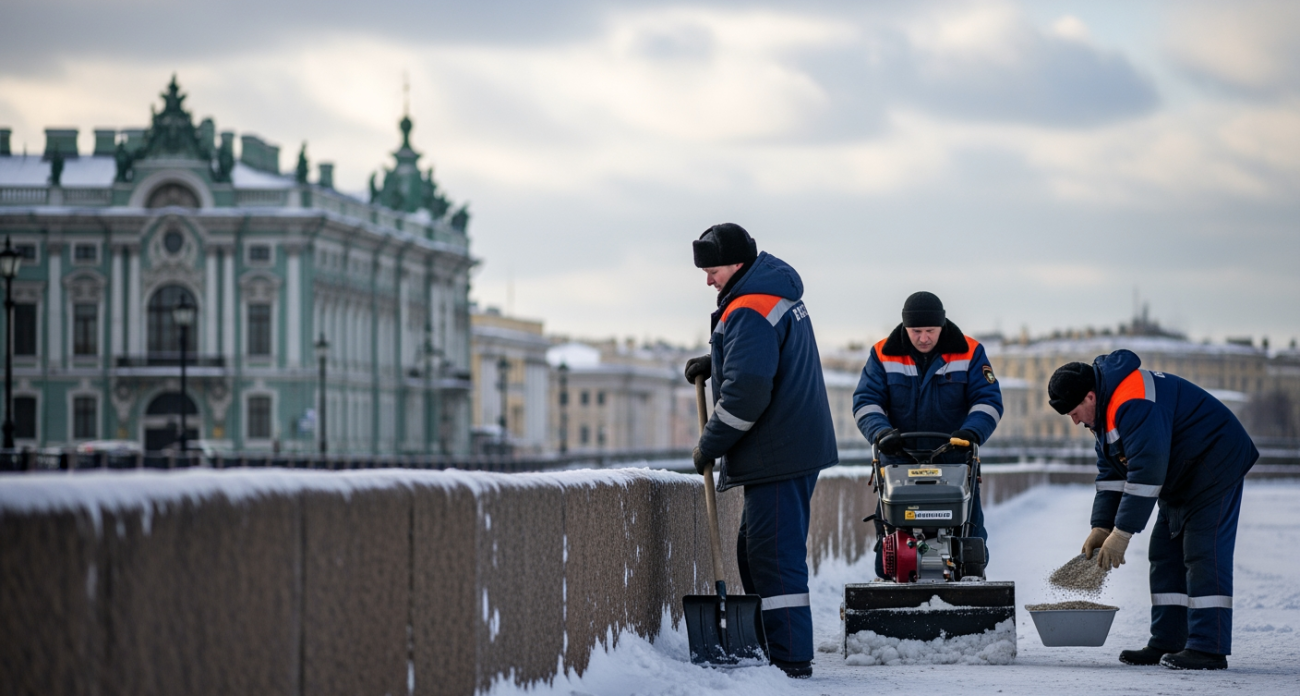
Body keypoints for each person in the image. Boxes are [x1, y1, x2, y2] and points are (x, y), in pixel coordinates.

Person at [684, 223, 837, 679]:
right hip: (789, 446)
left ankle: (790, 658)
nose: (708, 280)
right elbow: (766, 358)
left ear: (736, 263)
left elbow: (747, 395)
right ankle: (772, 645)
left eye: (712, 270)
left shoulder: (750, 307)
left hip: (779, 452)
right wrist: (718, 360)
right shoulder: (769, 293)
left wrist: (709, 445)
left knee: (774, 557)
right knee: (754, 550)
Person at [1048, 351, 1258, 670]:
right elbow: (1111, 475)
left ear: (1090, 396)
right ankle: (1167, 640)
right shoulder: (1104, 414)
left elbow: (1147, 470)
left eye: (1074, 413)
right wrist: (1101, 526)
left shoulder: (1133, 401)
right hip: (1182, 474)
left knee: (1203, 553)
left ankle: (1208, 648)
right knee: (1164, 553)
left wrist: (1122, 533)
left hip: (1215, 464)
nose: (1075, 421)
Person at [851, 292, 1003, 577]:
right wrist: (881, 433)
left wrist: (971, 432)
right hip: (898, 460)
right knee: (891, 541)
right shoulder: (882, 354)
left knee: (970, 534)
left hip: (955, 459)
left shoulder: (970, 352)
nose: (923, 338)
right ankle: (892, 575)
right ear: (905, 327)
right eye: (916, 331)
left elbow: (988, 401)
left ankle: (970, 575)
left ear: (942, 325)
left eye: (930, 331)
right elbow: (866, 403)